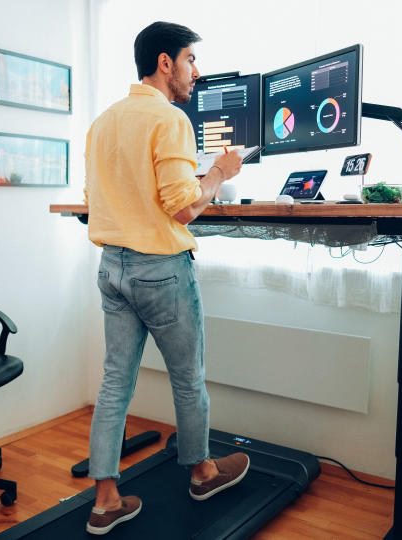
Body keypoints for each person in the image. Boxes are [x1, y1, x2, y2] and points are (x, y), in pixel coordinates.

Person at [83, 21, 248, 536]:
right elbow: (183, 208)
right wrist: (220, 172)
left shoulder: (104, 122)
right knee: (187, 378)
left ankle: (106, 500)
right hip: (159, 270)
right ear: (164, 62)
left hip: (112, 267)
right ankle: (202, 472)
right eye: (191, 60)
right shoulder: (170, 118)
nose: (195, 72)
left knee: (114, 382)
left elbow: (94, 202)